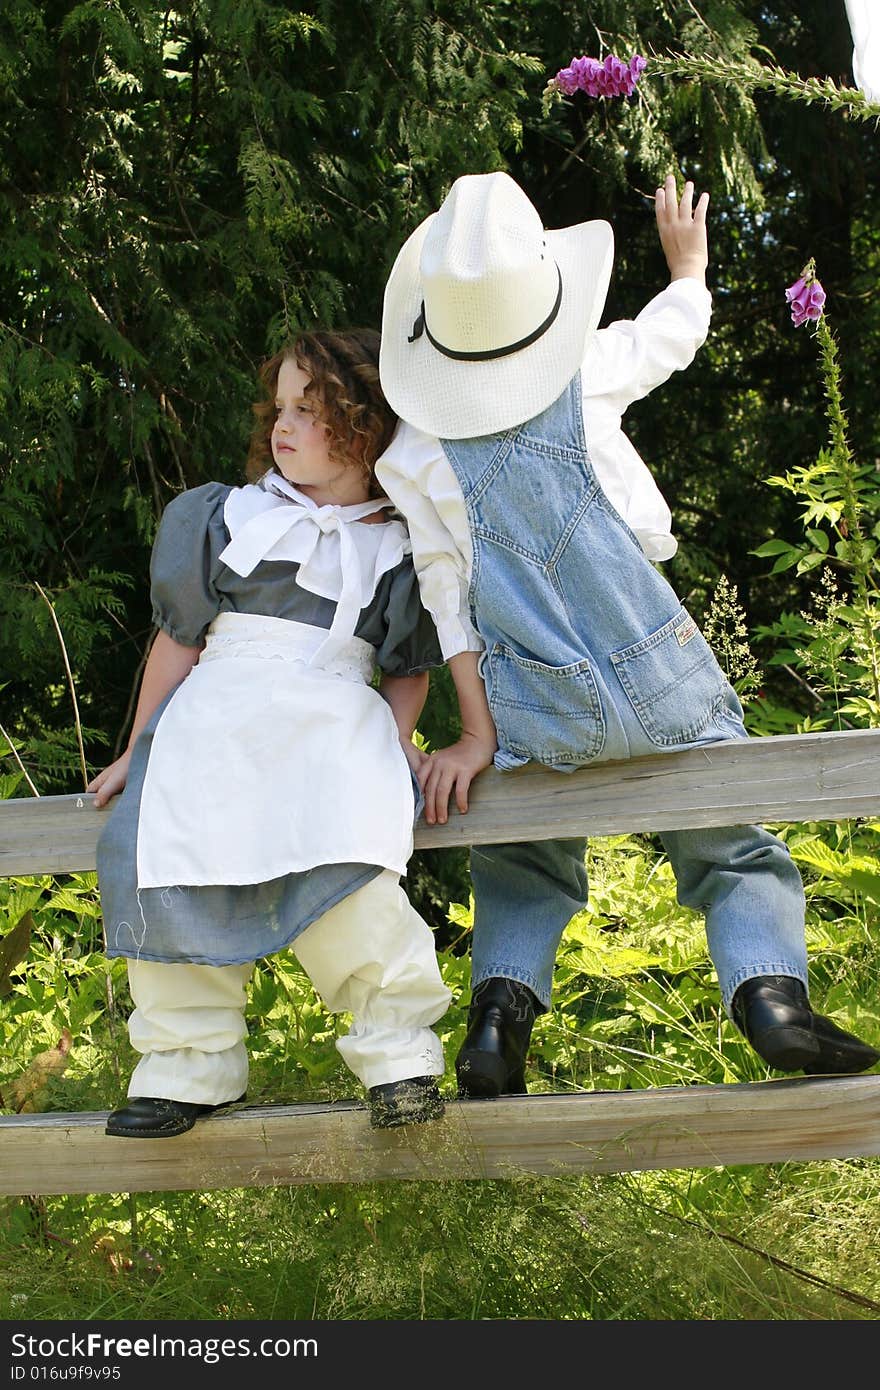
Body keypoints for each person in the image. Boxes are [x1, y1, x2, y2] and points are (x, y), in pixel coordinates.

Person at [374, 169, 879, 1097]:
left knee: (522, 852)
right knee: (730, 842)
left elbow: (448, 600)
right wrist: (688, 267)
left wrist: (479, 732)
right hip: (658, 665)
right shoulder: (586, 368)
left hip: (534, 697)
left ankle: (498, 1022)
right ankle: (772, 999)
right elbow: (671, 336)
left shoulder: (412, 450)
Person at [88, 327, 452, 1137]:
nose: (283, 425)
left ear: (363, 423)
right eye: (280, 407)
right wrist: (137, 746)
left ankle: (399, 1054)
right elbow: (180, 638)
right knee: (167, 858)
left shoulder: (401, 545)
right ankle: (190, 1062)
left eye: (310, 410)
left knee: (347, 871)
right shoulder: (229, 517)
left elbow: (407, 668)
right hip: (214, 717)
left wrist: (397, 742)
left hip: (331, 718)